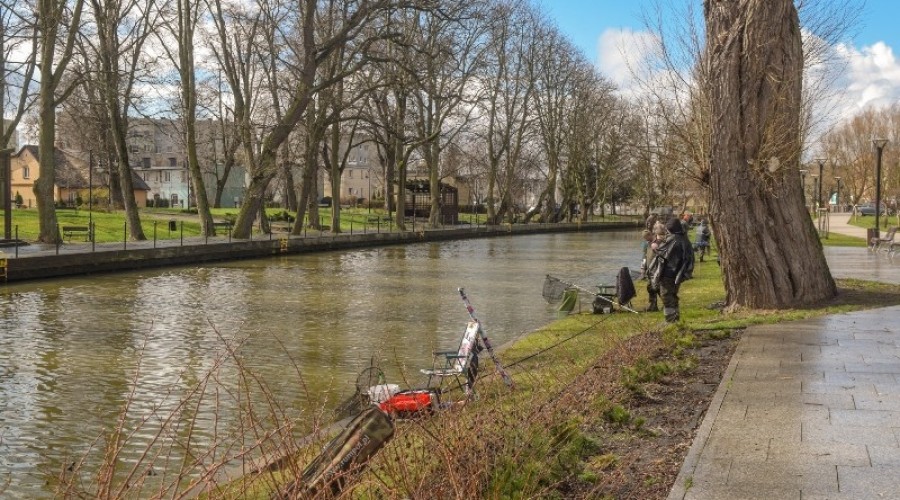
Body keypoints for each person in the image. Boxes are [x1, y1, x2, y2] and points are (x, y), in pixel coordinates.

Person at [650, 217, 695, 323]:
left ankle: (670, 320)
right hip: (678, 273)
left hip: (669, 273)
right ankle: (675, 318)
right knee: (673, 295)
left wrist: (655, 247)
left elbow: (663, 252)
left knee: (666, 296)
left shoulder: (674, 239)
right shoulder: (684, 238)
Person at [640, 229, 661, 311]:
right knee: (650, 288)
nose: (645, 239)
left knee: (657, 288)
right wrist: (643, 268)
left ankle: (667, 304)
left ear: (650, 235)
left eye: (646, 237)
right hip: (649, 270)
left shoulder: (657, 243)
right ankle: (653, 305)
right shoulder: (647, 244)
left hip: (656, 270)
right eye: (644, 238)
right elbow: (644, 257)